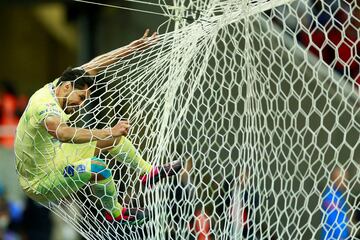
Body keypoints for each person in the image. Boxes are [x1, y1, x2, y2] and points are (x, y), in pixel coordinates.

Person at [14, 29, 184, 225]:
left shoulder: (59, 86)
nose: (81, 104)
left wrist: (133, 47)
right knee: (98, 167)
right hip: (39, 182)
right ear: (67, 87)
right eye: (81, 98)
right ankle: (116, 213)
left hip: (55, 157)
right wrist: (109, 130)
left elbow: (96, 64)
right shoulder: (44, 105)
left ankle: (147, 172)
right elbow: (62, 132)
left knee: (114, 140)